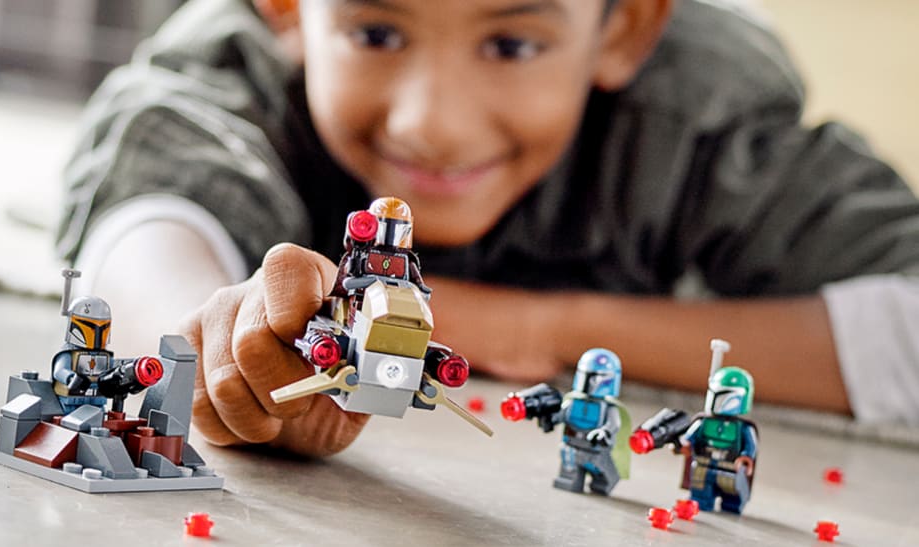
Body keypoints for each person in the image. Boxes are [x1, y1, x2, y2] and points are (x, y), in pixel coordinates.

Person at [56, 0, 919, 456]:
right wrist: (213, 331)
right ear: (286, 7)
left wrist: (542, 327)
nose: (434, 124)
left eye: (512, 46)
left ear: (624, 26)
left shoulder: (707, 112)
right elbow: (146, 213)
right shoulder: (231, 63)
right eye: (376, 30)